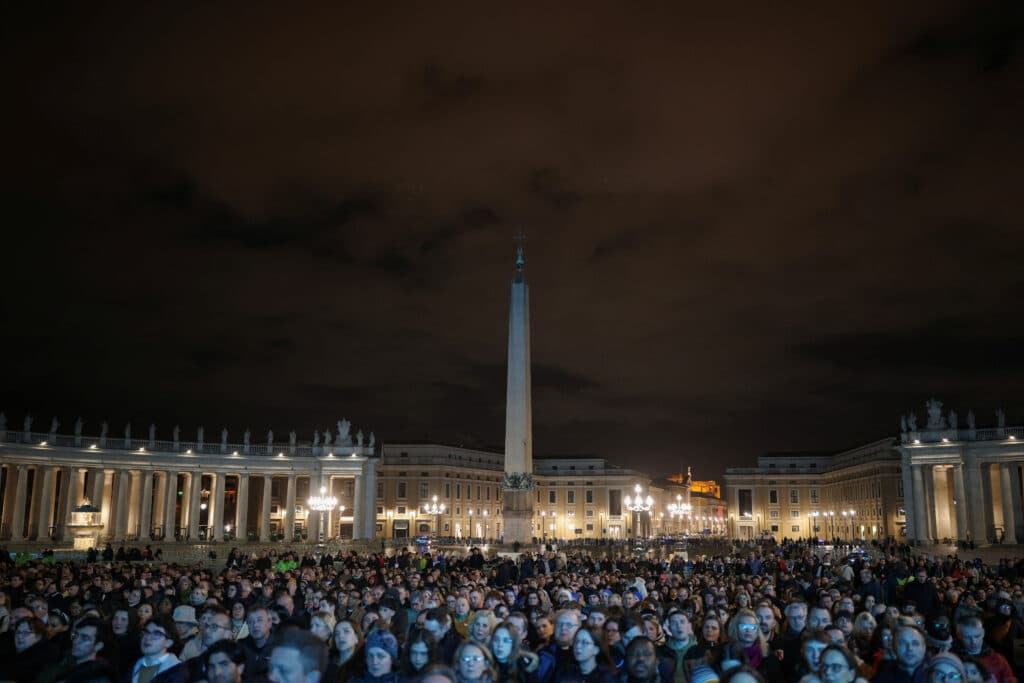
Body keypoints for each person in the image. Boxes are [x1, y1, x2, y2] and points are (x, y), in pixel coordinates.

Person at [954, 616, 1016, 683]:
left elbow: (1010, 680)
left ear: (983, 633)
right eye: (967, 637)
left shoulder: (998, 660)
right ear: (959, 635)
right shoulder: (951, 660)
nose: (973, 642)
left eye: (977, 636)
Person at [132, 614, 187, 683]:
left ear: (168, 642)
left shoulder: (177, 671)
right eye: (146, 632)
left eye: (156, 634)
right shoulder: (134, 667)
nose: (148, 638)